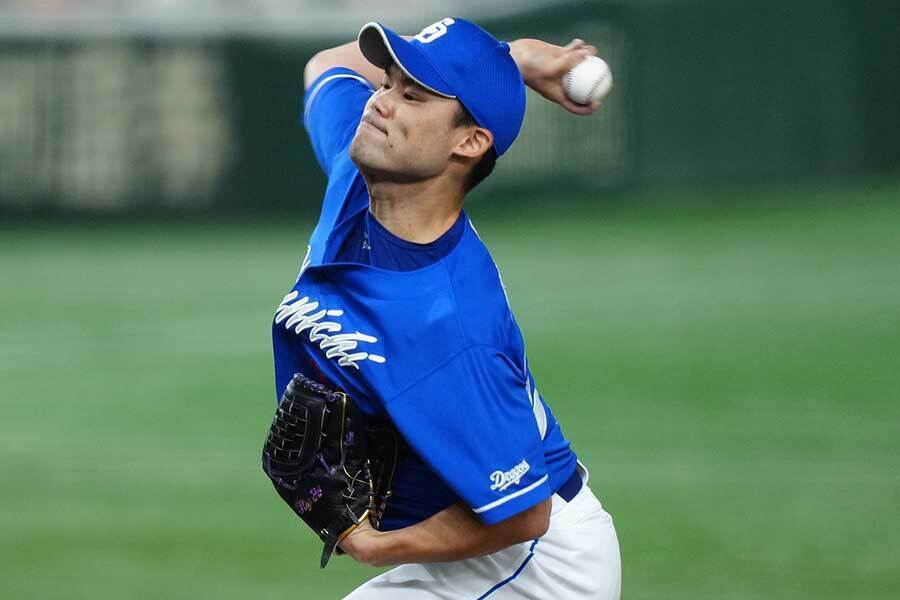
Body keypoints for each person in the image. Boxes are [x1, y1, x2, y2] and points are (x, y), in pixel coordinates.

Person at [271, 17, 621, 599]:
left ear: (468, 142)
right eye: (386, 81)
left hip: (540, 567)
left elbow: (522, 513)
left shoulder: (449, 323)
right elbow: (325, 67)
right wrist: (513, 60)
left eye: (412, 94)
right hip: (484, 544)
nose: (380, 101)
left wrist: (371, 545)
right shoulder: (359, 172)